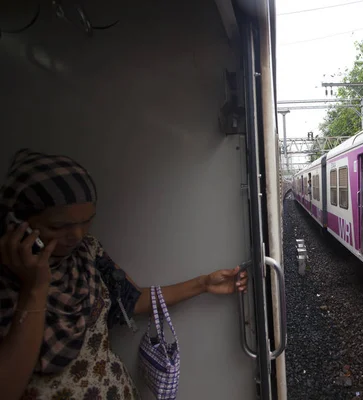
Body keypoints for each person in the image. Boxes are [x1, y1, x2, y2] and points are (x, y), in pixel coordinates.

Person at [0, 149, 248, 400]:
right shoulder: (9, 281)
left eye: (86, 221)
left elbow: (130, 300)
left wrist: (203, 283)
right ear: (17, 219)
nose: (76, 236)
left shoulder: (87, 253)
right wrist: (34, 288)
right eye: (58, 226)